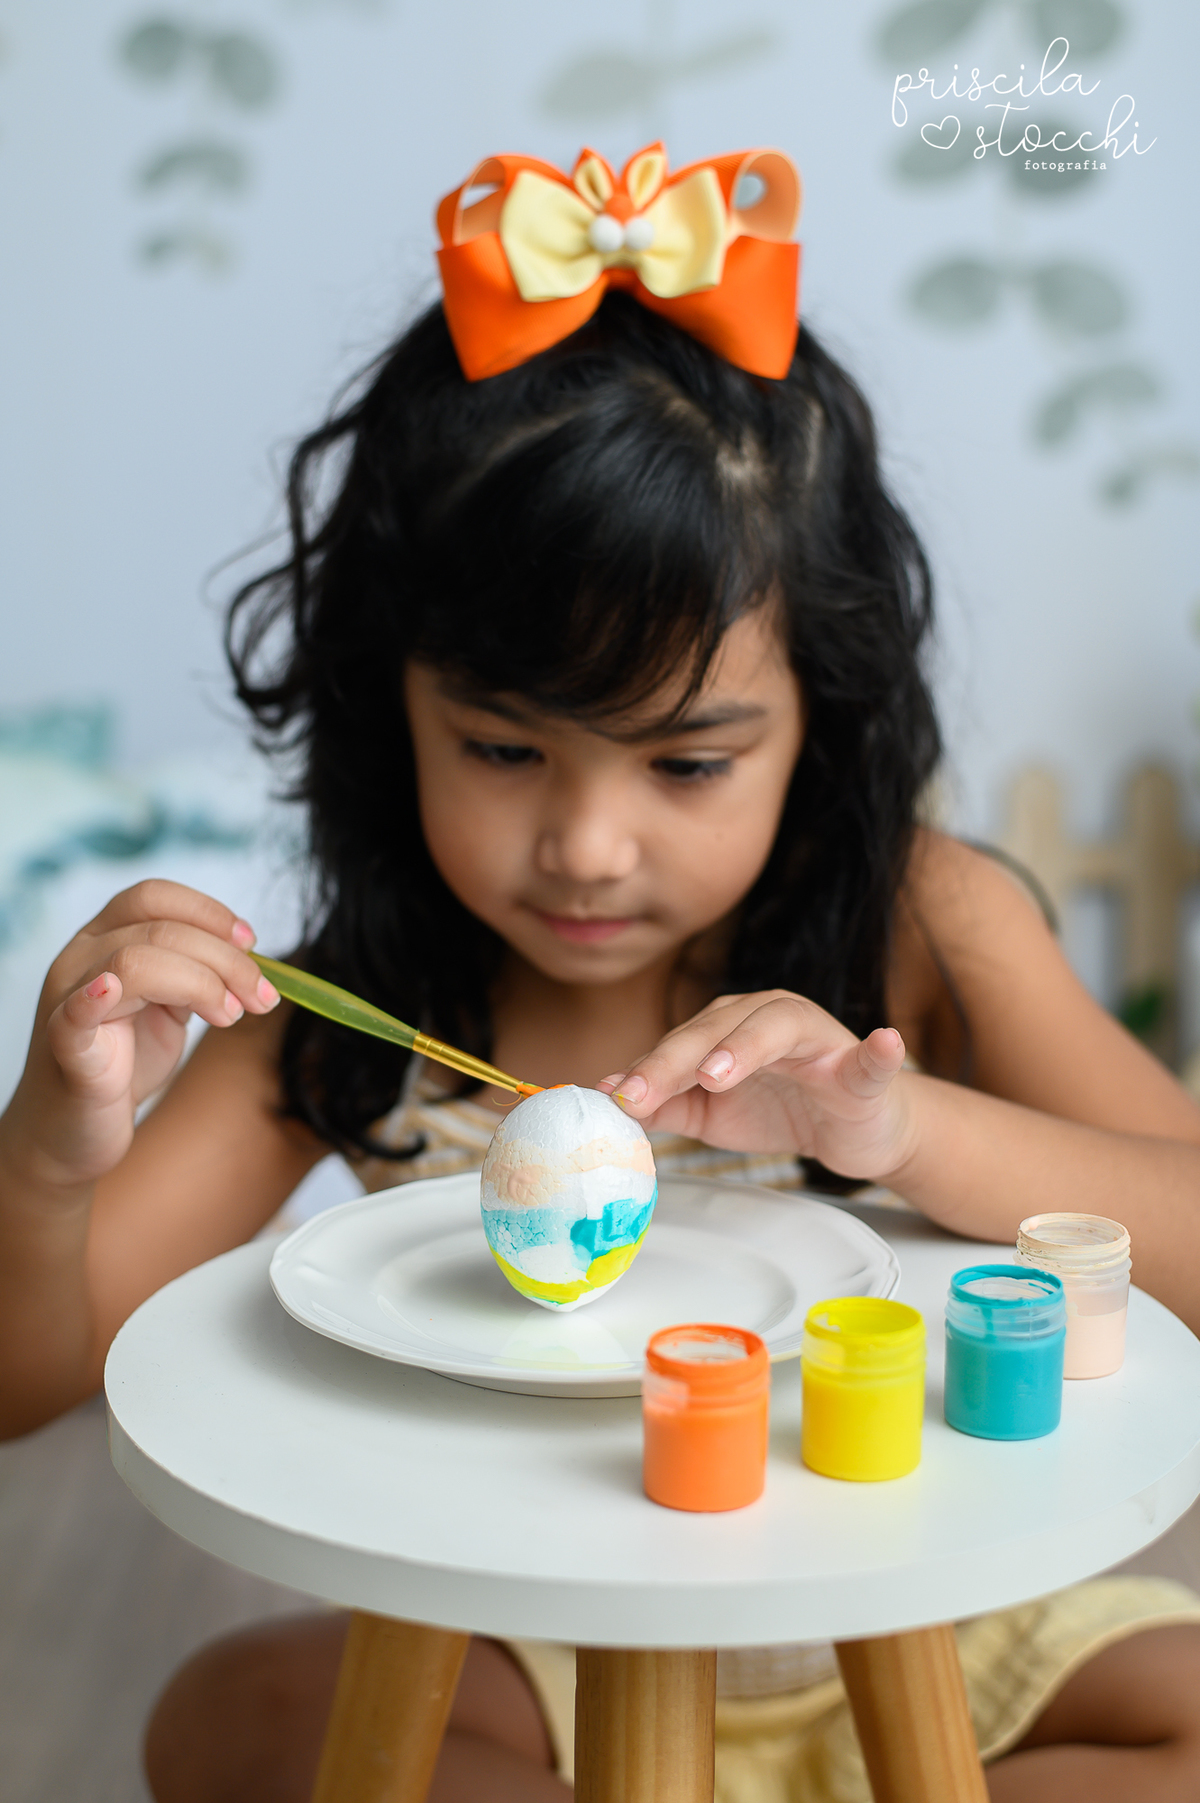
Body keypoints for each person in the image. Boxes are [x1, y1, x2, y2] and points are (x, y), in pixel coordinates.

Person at [3, 143, 1200, 1803]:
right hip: (536, 1659)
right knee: (237, 1720)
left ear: (823, 722)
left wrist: (908, 1129)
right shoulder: (355, 1019)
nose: (583, 845)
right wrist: (55, 1146)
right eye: (501, 747)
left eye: (687, 765)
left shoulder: (927, 929)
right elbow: (27, 1381)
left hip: (942, 1620)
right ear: (386, 704)